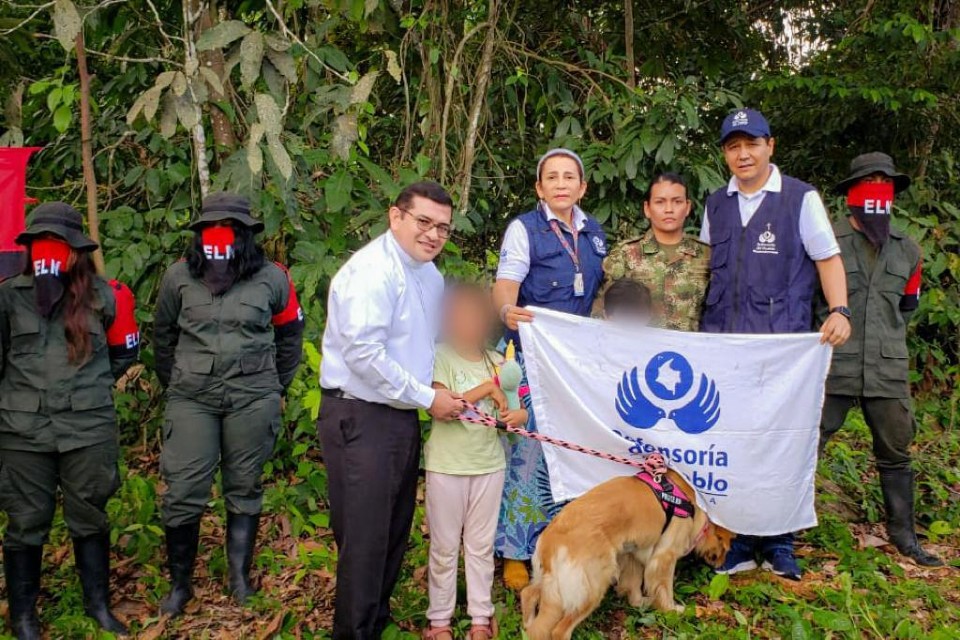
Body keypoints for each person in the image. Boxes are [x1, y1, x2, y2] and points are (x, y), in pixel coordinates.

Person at [701, 109, 851, 581]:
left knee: (780, 442)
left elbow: (827, 258)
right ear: (725, 153)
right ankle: (740, 538)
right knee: (734, 441)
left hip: (781, 349)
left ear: (771, 146)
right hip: (725, 346)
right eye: (733, 146)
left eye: (752, 144)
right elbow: (706, 268)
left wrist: (840, 310)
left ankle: (781, 541)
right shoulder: (715, 203)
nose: (742, 154)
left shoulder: (799, 199)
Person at [318, 181, 464, 639]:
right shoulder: (371, 272)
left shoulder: (430, 275)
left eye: (442, 227)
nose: (433, 234)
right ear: (395, 216)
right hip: (361, 416)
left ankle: (374, 624)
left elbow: (423, 345)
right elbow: (363, 355)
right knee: (364, 541)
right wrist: (427, 399)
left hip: (400, 416)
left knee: (393, 532)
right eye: (424, 222)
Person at [153, 192, 305, 616]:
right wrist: (179, 381)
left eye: (229, 234)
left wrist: (276, 385)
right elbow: (162, 336)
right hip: (191, 398)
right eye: (211, 234)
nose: (219, 243)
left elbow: (290, 335)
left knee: (244, 487)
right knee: (183, 490)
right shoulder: (178, 277)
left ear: (244, 237)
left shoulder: (273, 278)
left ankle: (238, 577)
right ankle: (180, 584)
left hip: (252, 396)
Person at [0, 203, 139, 639]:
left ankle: (97, 605)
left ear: (76, 250)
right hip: (23, 430)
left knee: (90, 515)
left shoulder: (107, 295)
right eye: (41, 245)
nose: (48, 253)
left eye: (57, 245)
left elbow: (124, 354)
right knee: (25, 520)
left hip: (87, 428)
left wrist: (89, 391)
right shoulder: (6, 295)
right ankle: (23, 617)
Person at [817, 152, 942, 566]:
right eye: (868, 181)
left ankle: (904, 536)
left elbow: (907, 307)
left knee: (896, 451)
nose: (877, 189)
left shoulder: (909, 251)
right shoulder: (826, 242)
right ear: (852, 193)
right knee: (806, 444)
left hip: (887, 366)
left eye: (883, 182)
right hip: (833, 363)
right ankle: (781, 531)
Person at [492, 148, 607, 590]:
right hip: (532, 360)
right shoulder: (524, 229)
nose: (561, 183)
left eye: (569, 177)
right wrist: (506, 309)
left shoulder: (594, 232)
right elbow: (506, 282)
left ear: (582, 186)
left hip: (576, 366)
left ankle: (555, 546)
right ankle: (514, 551)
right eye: (552, 177)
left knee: (569, 454)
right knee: (528, 454)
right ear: (540, 188)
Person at [422, 282, 528, 640]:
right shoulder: (440, 356)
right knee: (444, 547)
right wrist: (486, 389)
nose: (469, 322)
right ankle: (439, 621)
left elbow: (517, 410)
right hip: (447, 466)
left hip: (489, 466)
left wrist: (517, 417)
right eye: (460, 315)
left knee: (480, 546)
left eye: (476, 315)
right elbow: (442, 407)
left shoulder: (500, 362)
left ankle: (481, 618)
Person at [602, 172, 709, 330]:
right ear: (647, 208)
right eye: (660, 202)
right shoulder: (625, 253)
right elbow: (603, 310)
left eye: (677, 202)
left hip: (688, 351)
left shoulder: (706, 255)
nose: (669, 209)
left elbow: (717, 313)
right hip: (638, 350)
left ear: (687, 207)